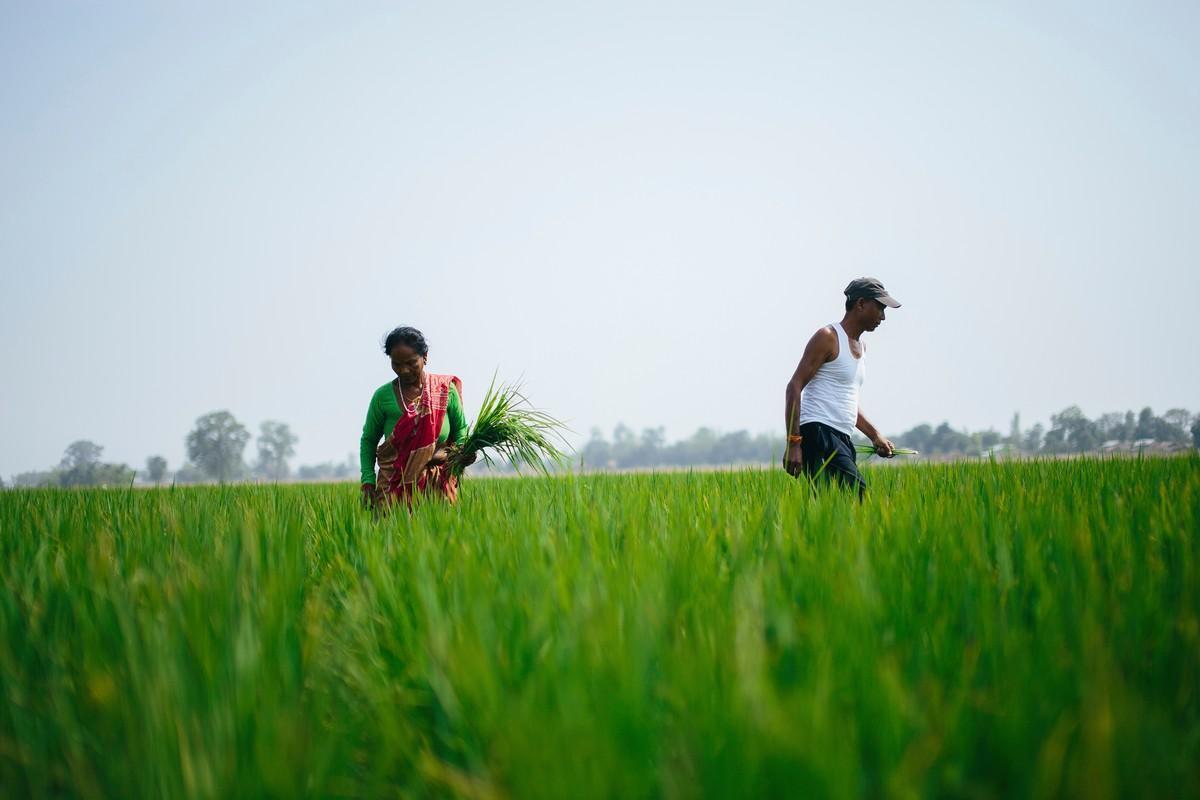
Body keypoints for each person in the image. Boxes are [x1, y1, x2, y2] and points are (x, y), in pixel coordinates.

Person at [783, 278, 901, 498]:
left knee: (831, 503)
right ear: (861, 304)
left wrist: (875, 436)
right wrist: (793, 443)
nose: (883, 317)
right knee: (857, 494)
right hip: (819, 432)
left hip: (842, 437)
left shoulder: (862, 347)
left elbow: (847, 403)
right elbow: (794, 387)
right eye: (880, 308)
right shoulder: (828, 337)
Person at [360, 326, 475, 508]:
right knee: (390, 535)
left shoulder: (445, 391)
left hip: (438, 484)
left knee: (441, 534)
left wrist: (459, 455)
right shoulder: (382, 397)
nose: (404, 370)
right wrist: (367, 480)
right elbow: (369, 440)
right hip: (392, 484)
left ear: (425, 356)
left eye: (411, 363)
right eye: (396, 364)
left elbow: (460, 429)